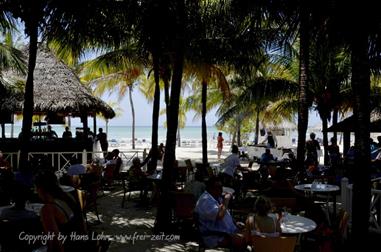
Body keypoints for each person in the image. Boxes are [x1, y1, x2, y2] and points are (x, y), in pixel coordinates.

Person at [34, 170, 85, 252]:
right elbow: (81, 222)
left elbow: (56, 244)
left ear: (40, 189)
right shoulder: (68, 196)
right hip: (80, 243)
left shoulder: (47, 210)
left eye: (35, 188)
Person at [194, 176, 247, 250]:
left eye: (221, 186)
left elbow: (225, 214)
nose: (221, 189)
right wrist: (226, 200)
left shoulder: (216, 197)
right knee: (245, 240)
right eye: (218, 187)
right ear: (210, 188)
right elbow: (220, 215)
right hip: (216, 236)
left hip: (228, 231)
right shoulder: (205, 200)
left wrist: (235, 223)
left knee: (252, 234)